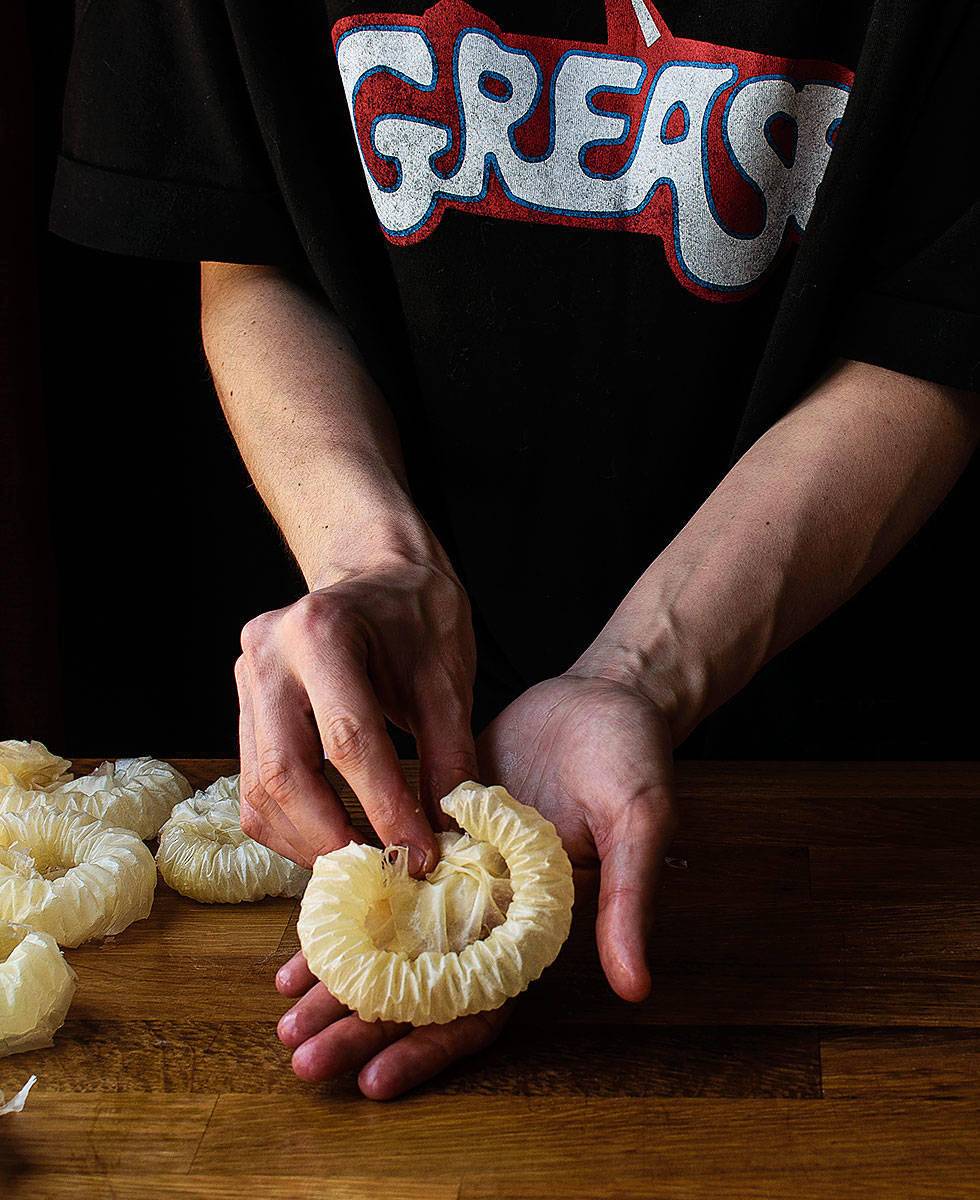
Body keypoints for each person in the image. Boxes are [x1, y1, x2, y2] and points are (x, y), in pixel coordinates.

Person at [49, 0, 978, 1098]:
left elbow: (937, 326)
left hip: (853, 765)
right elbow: (251, 252)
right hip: (370, 713)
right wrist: (366, 557)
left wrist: (632, 671)